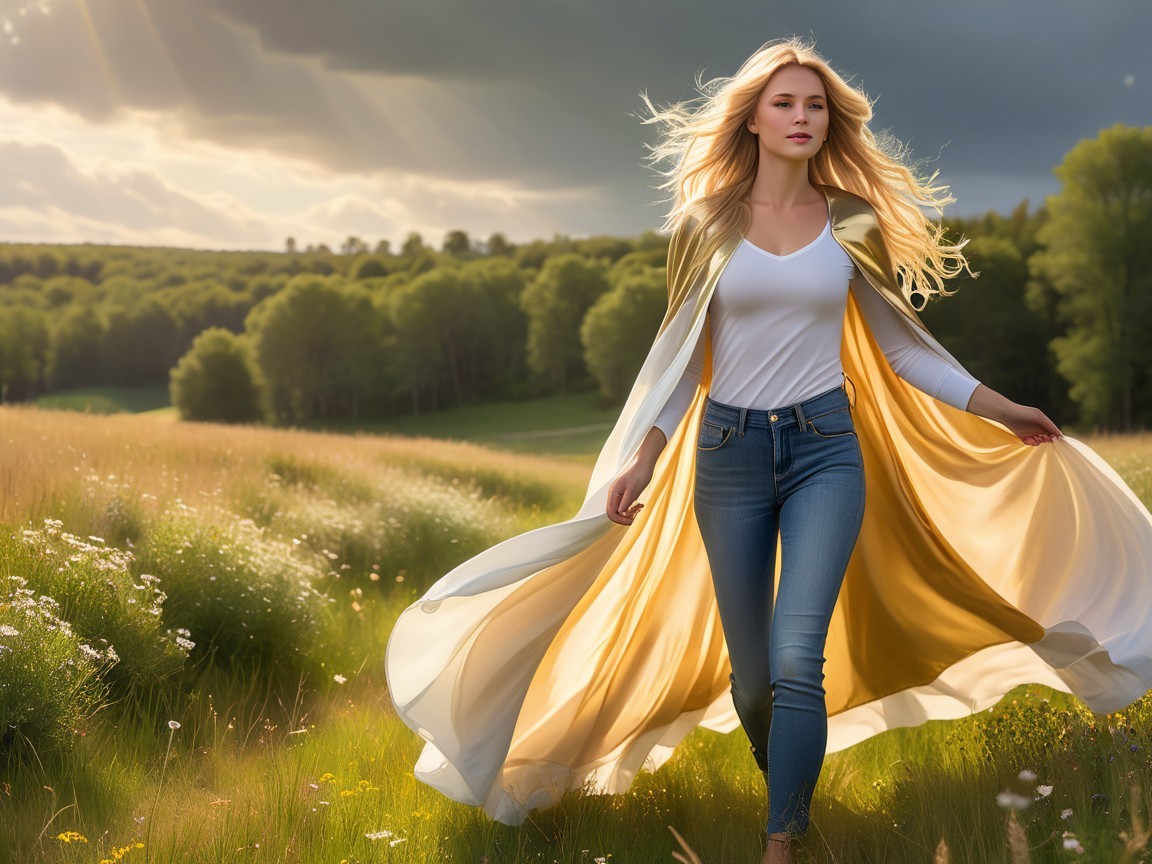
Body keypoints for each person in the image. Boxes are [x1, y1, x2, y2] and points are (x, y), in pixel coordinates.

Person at [386, 37, 1152, 864]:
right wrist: (641, 460)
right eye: (785, 103)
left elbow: (904, 350)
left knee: (796, 658)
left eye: (815, 105)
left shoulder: (850, 220)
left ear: (831, 122)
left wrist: (1004, 409)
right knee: (753, 679)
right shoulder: (704, 225)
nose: (802, 117)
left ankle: (781, 840)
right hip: (729, 457)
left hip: (827, 450)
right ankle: (791, 787)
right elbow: (680, 364)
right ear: (751, 118)